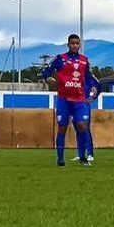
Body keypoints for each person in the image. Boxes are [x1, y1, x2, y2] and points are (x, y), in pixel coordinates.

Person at [42, 34, 98, 167]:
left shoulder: (84, 60)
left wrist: (94, 87)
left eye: (77, 43)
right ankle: (60, 159)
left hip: (79, 100)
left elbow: (89, 77)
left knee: (82, 126)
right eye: (72, 43)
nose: (74, 45)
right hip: (64, 99)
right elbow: (46, 71)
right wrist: (48, 78)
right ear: (68, 44)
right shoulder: (60, 59)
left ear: (79, 45)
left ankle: (83, 157)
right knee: (62, 127)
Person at [73, 77, 101, 162]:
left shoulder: (89, 76)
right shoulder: (73, 74)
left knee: (85, 129)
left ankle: (90, 154)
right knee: (78, 129)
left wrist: (92, 98)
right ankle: (80, 153)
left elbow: (99, 84)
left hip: (84, 104)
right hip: (74, 103)